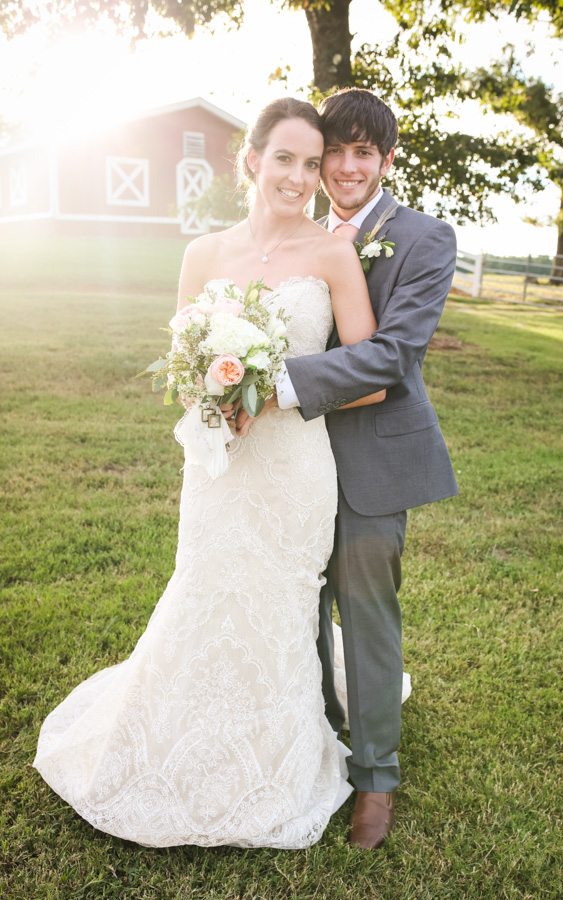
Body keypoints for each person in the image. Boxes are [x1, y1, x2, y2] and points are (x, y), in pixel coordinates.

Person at [32, 97, 387, 849]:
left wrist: (275, 378)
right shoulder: (203, 253)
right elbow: (188, 367)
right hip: (222, 466)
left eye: (310, 162)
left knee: (279, 606)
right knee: (207, 590)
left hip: (294, 469)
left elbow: (372, 375)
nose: (297, 176)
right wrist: (219, 396)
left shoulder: (332, 254)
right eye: (282, 158)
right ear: (251, 160)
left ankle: (274, 760)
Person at [235, 88, 459, 849]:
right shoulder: (303, 233)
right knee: (297, 605)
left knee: (364, 615)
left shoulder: (425, 238)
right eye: (336, 150)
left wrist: (277, 384)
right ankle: (318, 738)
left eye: (365, 152)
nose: (347, 166)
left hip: (371, 461)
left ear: (387, 160)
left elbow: (393, 357)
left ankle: (377, 779)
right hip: (291, 463)